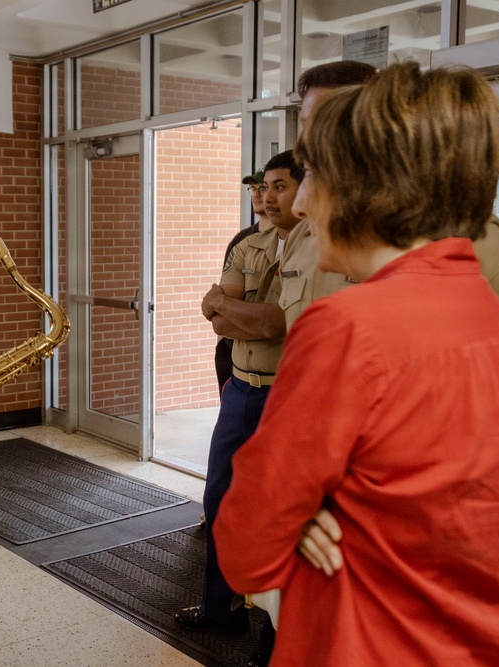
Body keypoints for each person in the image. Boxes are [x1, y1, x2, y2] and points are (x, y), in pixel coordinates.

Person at [215, 62, 499, 666]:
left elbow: (246, 545)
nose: (303, 204)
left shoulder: (346, 326)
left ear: (364, 185)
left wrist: (307, 517)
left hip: (364, 642)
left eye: (312, 176)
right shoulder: (496, 323)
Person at [288, 59, 499, 578]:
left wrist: (424, 455)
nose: (321, 137)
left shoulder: (443, 226)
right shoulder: (309, 221)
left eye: (339, 118)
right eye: (310, 123)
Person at [178, 151, 300, 632]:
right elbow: (215, 317)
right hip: (241, 391)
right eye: (263, 188)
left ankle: (277, 633)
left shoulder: (316, 247)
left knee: (277, 513)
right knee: (220, 502)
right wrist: (247, 317)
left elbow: (281, 322)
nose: (267, 198)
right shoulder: (250, 243)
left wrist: (237, 313)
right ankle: (219, 609)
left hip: (284, 396)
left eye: (280, 186)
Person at [214, 169, 268, 394]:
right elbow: (221, 312)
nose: (257, 195)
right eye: (252, 189)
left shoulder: (296, 241)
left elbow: (279, 321)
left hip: (267, 362)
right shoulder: (242, 240)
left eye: (262, 188)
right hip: (231, 352)